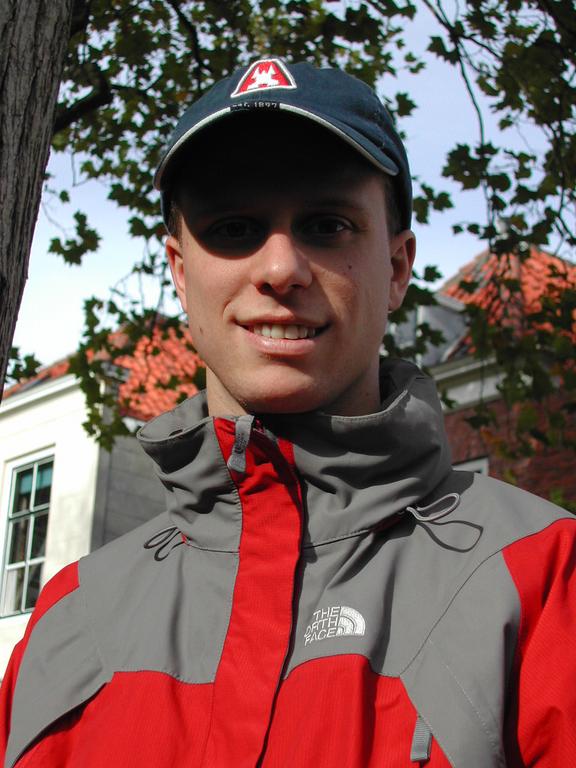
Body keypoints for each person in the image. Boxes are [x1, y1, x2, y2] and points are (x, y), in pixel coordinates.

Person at [1, 57, 574, 768]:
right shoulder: (67, 621)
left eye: (326, 226)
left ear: (398, 269)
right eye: (234, 227)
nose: (280, 269)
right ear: (180, 272)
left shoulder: (545, 579)